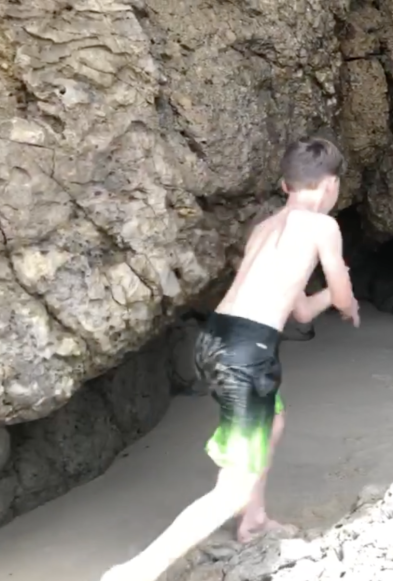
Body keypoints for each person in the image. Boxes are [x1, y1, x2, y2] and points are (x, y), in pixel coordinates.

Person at [100, 136, 360, 581]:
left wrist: (324, 299)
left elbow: (298, 309)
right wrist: (346, 301)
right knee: (230, 490)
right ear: (331, 185)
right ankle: (134, 572)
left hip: (215, 340)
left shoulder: (264, 229)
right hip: (248, 355)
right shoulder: (323, 228)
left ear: (285, 185)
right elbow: (337, 294)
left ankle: (254, 521)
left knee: (272, 421)